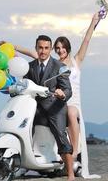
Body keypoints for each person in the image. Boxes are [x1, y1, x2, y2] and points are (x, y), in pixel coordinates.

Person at [6, 12, 101, 179]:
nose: (60, 50)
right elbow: (29, 61)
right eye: (57, 48)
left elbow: (86, 41)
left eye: (62, 47)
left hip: (67, 101)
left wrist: (94, 22)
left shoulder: (73, 62)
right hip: (44, 101)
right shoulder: (43, 62)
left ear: (68, 48)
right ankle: (25, 158)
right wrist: (12, 47)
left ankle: (73, 157)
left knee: (69, 114)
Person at [23, 35, 75, 181]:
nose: (43, 51)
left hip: (55, 106)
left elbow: (68, 90)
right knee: (23, 126)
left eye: (46, 48)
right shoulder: (30, 66)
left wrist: (62, 94)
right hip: (35, 106)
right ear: (36, 48)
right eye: (40, 48)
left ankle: (70, 173)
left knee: (60, 133)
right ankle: (26, 163)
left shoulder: (59, 67)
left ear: (51, 49)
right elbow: (24, 84)